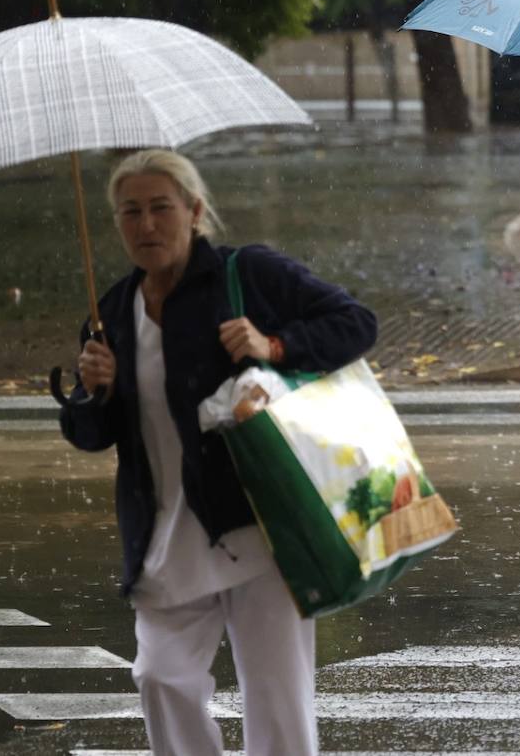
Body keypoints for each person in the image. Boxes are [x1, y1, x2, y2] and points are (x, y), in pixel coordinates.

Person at [60, 149, 377, 754]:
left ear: (195, 210)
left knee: (277, 697)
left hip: (260, 525)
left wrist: (276, 344)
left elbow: (355, 323)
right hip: (164, 534)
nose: (146, 225)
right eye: (130, 212)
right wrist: (92, 393)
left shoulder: (248, 274)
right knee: (160, 678)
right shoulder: (111, 315)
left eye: (160, 208)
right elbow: (92, 435)